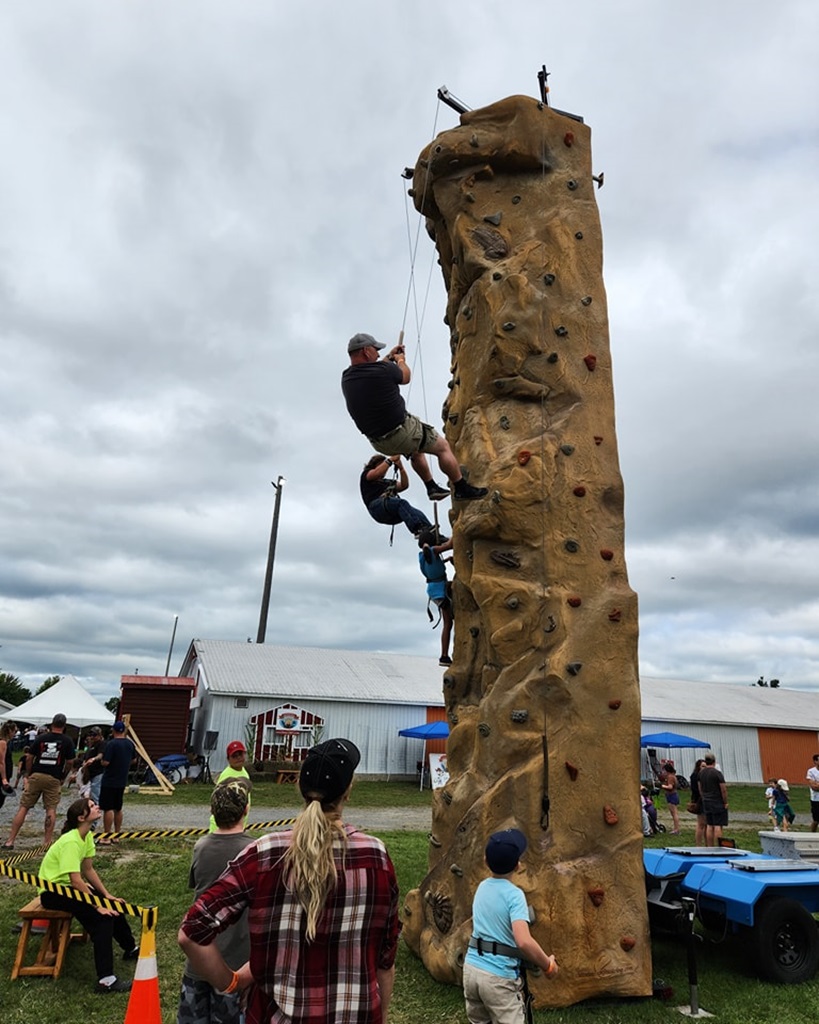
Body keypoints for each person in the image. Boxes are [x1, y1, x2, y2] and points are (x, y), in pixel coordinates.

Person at [179, 738, 400, 1024]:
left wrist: (231, 983)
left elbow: (191, 933)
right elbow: (385, 959)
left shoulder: (263, 854)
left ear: (299, 787)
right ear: (348, 791)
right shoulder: (377, 857)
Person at [342, 332, 488, 502]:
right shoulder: (384, 370)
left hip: (379, 443)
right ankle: (462, 487)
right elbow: (405, 376)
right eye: (375, 350)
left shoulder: (347, 377)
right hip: (401, 432)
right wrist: (400, 360)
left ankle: (431, 487)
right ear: (366, 351)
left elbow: (376, 370)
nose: (379, 353)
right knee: (442, 447)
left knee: (416, 450)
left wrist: (390, 356)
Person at [39, 797, 138, 993]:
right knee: (102, 919)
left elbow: (88, 870)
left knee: (113, 906)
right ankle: (106, 980)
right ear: (81, 816)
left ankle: (130, 949)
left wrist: (107, 896)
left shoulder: (87, 837)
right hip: (53, 893)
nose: (97, 806)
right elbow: (75, 880)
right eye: (92, 806)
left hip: (69, 888)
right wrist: (97, 905)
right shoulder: (71, 841)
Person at [177, 779, 254, 1024]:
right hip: (236, 962)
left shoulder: (201, 846)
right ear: (245, 810)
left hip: (199, 957)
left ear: (212, 812)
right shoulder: (253, 850)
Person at [463, 828, 559, 1024]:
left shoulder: (481, 887)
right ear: (518, 865)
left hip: (472, 970)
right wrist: (547, 965)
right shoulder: (514, 896)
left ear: (485, 861)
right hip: (498, 978)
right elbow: (523, 942)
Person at [3, 712, 76, 849]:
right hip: (53, 777)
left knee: (24, 807)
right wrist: (63, 776)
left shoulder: (41, 738)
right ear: (64, 725)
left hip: (37, 775)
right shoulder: (67, 741)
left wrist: (29, 773)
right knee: (51, 809)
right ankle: (47, 843)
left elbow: (30, 757)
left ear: (51, 723)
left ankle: (10, 840)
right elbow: (70, 762)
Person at [360, 453, 435, 537]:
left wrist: (401, 468)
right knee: (401, 503)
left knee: (416, 512)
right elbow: (377, 473)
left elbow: (404, 485)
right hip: (376, 507)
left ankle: (431, 535)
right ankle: (417, 529)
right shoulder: (367, 475)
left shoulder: (386, 482)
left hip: (389, 512)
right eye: (381, 465)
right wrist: (390, 460)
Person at [418, 531, 454, 666]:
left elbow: (433, 564)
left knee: (448, 623)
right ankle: (444, 656)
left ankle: (444, 655)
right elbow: (451, 544)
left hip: (434, 590)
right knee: (448, 623)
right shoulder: (433, 550)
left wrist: (446, 560)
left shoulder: (422, 556)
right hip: (440, 590)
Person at [98, 721, 136, 844]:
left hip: (109, 780)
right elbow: (134, 760)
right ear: (124, 731)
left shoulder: (111, 744)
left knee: (108, 808)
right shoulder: (130, 744)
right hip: (122, 780)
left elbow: (106, 762)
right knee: (118, 808)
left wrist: (101, 762)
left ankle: (106, 836)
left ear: (114, 731)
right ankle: (117, 835)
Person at [208, 740, 251, 833]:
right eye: (234, 756)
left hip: (238, 823)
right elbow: (219, 800)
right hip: (225, 825)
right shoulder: (227, 776)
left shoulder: (244, 772)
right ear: (228, 759)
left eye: (240, 754)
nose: (238, 758)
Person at [698, 753, 728, 846]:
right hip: (717, 801)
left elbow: (700, 787)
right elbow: (723, 789)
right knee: (718, 825)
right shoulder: (717, 773)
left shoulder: (701, 773)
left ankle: (710, 846)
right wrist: (725, 802)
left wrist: (704, 797)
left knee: (710, 825)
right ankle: (719, 846)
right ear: (714, 762)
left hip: (706, 800)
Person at [82, 726, 107, 805]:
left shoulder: (102, 743)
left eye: (94, 735)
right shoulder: (91, 744)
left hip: (98, 771)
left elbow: (101, 755)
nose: (92, 737)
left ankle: (97, 805)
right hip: (89, 771)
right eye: (91, 735)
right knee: (87, 789)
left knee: (95, 789)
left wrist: (93, 759)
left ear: (100, 735)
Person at [660, 760, 681, 835]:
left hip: (672, 795)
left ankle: (677, 829)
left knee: (674, 813)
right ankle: (676, 828)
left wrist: (662, 786)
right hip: (670, 795)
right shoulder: (671, 776)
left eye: (664, 771)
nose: (663, 772)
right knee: (673, 813)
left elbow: (670, 787)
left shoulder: (670, 777)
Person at [689, 759, 707, 846]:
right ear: (698, 767)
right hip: (699, 801)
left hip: (704, 800)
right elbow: (696, 790)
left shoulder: (705, 775)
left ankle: (707, 844)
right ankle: (698, 844)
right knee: (701, 824)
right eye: (703, 766)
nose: (704, 768)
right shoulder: (695, 776)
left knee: (706, 824)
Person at [0, 721, 16, 811]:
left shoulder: (6, 742)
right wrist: (4, 778)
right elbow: (1, 761)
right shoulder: (2, 743)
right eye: (14, 731)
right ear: (9, 731)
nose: (14, 734)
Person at [806, 753, 819, 833]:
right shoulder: (811, 771)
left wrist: (817, 783)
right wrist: (815, 785)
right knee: (816, 820)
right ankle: (812, 834)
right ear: (815, 761)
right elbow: (814, 787)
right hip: (816, 799)